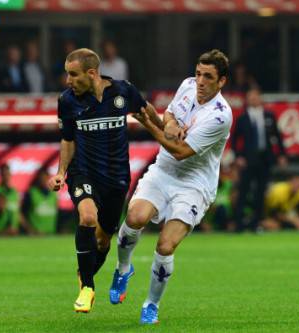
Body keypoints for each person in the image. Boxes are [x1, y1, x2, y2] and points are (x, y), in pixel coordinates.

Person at [109, 49, 232, 324]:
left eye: (208, 77)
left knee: (165, 245)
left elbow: (180, 151)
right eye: (199, 73)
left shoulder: (221, 116)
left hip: (193, 185)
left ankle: (151, 304)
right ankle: (123, 268)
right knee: (134, 217)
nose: (200, 81)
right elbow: (170, 115)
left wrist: (148, 125)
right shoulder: (187, 85)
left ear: (221, 81)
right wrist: (172, 123)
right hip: (163, 172)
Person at [47, 48, 162, 313]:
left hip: (116, 177)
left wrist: (164, 126)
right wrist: (61, 173)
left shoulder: (123, 92)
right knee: (87, 217)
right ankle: (87, 287)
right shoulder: (67, 101)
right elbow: (67, 139)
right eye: (67, 74)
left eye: (73, 74)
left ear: (92, 73)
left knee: (102, 241)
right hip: (83, 172)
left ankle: (85, 271)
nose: (68, 80)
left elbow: (145, 110)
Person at [231, 87, 287, 232]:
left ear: (260, 98)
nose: (254, 99)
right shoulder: (242, 118)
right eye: (251, 97)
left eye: (256, 96)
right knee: (243, 191)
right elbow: (234, 139)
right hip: (248, 160)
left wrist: (281, 154)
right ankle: (239, 225)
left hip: (264, 159)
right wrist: (238, 157)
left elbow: (277, 137)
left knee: (260, 193)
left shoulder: (269, 115)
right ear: (247, 99)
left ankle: (256, 224)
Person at [0, 163, 34, 235]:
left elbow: (17, 213)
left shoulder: (15, 192)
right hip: (0, 232)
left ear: (10, 174)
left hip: (13, 232)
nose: (6, 176)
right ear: (0, 175)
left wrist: (28, 229)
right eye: (3, 174)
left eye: (7, 174)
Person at [22, 169, 58, 234]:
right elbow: (21, 213)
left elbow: (57, 213)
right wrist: (29, 229)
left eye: (45, 178)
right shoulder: (31, 193)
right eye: (41, 178)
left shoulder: (53, 194)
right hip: (36, 235)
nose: (43, 180)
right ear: (38, 179)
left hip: (51, 234)